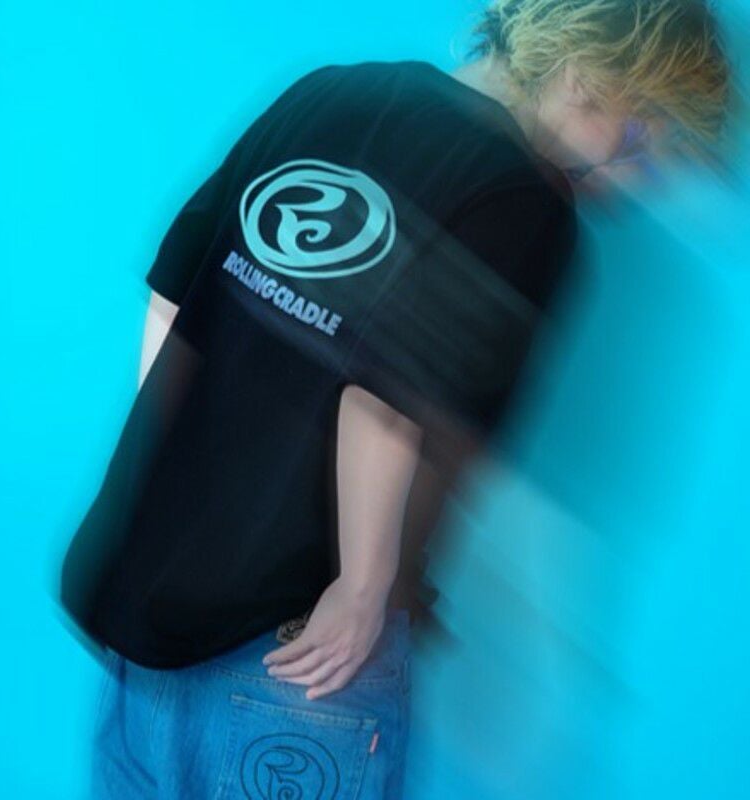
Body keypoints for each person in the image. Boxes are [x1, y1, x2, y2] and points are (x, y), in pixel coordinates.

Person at [56, 1, 733, 797]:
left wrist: (168, 482)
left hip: (141, 618)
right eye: (644, 130)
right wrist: (364, 588)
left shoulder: (328, 93)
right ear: (584, 75)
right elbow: (382, 398)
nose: (645, 170)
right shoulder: (523, 198)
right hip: (298, 657)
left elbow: (175, 297)